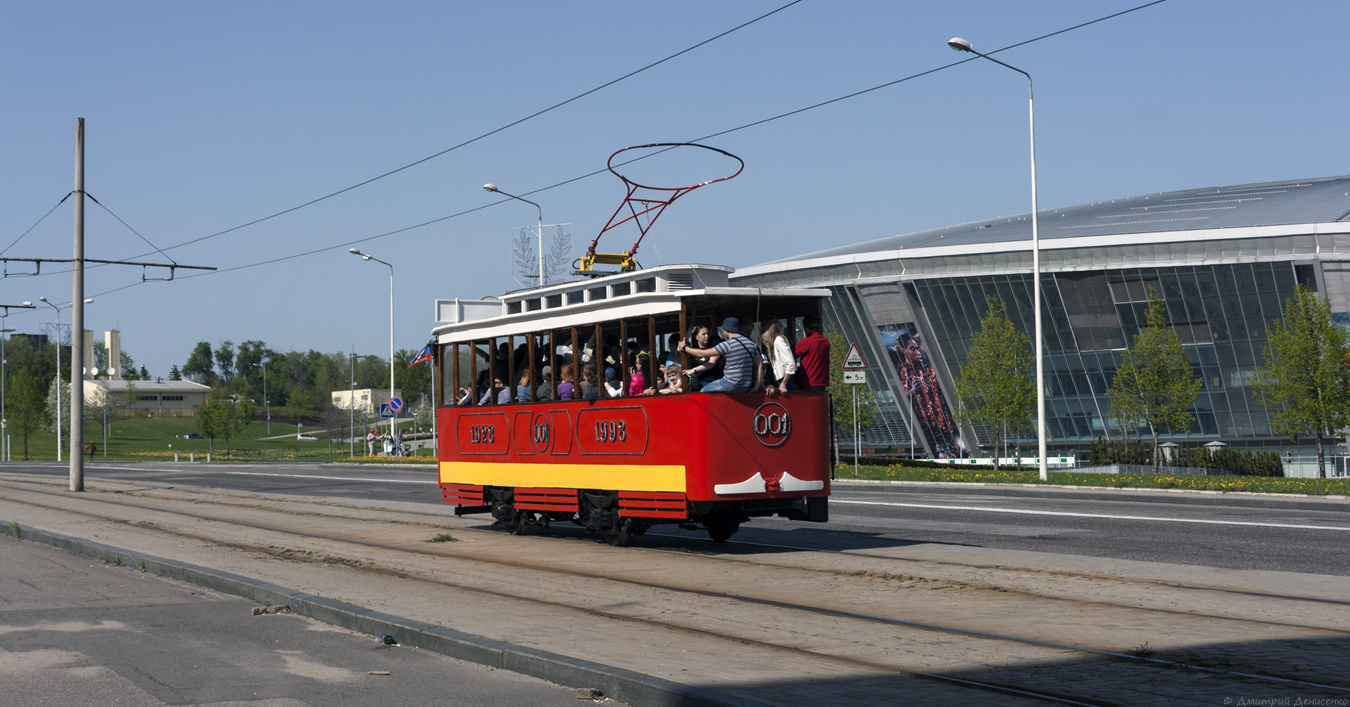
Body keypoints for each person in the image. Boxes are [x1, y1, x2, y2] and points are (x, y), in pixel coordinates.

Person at [681, 317, 761, 393]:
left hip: (730, 384)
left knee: (703, 391)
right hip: (745, 385)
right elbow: (759, 364)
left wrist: (684, 348)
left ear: (726, 330)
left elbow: (702, 353)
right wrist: (756, 386)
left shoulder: (726, 345)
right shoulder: (751, 344)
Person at [794, 314, 831, 391]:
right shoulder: (826, 341)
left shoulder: (807, 342)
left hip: (809, 382)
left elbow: (792, 355)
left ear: (807, 327)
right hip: (822, 382)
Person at [761, 321, 798, 396]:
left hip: (783, 380)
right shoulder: (779, 340)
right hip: (782, 380)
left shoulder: (778, 341)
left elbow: (790, 363)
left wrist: (784, 383)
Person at [679, 324, 718, 392]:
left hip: (711, 382)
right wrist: (688, 334)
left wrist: (693, 370)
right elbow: (679, 349)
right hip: (696, 382)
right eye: (703, 334)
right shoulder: (693, 349)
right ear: (696, 337)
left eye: (707, 333)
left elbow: (711, 363)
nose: (707, 336)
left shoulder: (714, 348)